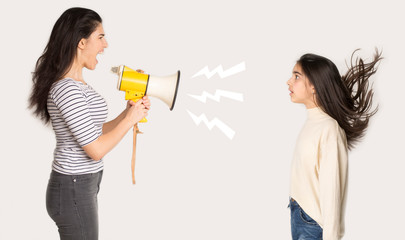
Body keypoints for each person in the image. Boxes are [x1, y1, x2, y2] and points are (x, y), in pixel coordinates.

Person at [28, 7, 150, 240]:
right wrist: (131, 120)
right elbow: (95, 150)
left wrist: (128, 114)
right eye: (101, 37)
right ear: (81, 42)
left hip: (80, 185)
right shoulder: (66, 89)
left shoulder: (77, 85)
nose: (105, 45)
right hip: (73, 186)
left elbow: (94, 131)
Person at [286, 50, 382, 240]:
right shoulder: (312, 123)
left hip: (313, 226)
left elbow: (331, 190)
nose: (289, 82)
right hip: (301, 219)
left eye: (296, 76)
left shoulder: (329, 128)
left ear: (314, 85)